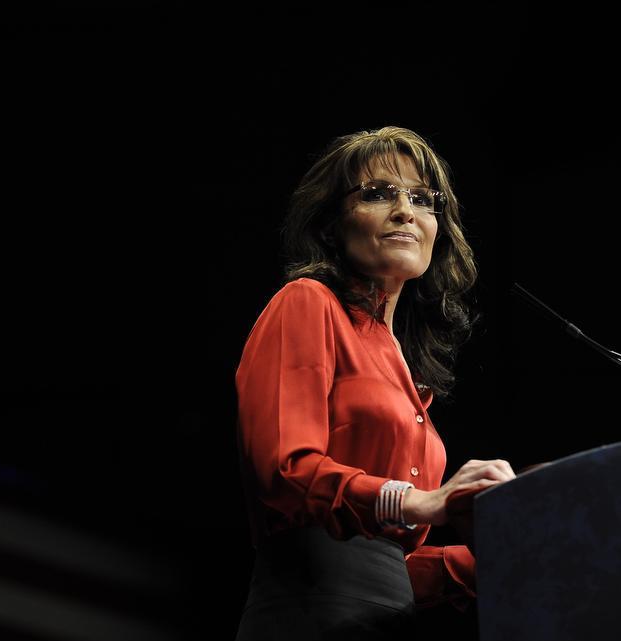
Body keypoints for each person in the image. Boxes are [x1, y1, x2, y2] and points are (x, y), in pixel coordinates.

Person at [233, 126, 517, 640]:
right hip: (306, 617)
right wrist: (419, 501)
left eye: (422, 199)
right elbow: (285, 471)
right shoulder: (307, 303)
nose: (406, 211)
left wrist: (506, 556)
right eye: (379, 193)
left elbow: (392, 568)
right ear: (332, 222)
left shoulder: (407, 369)